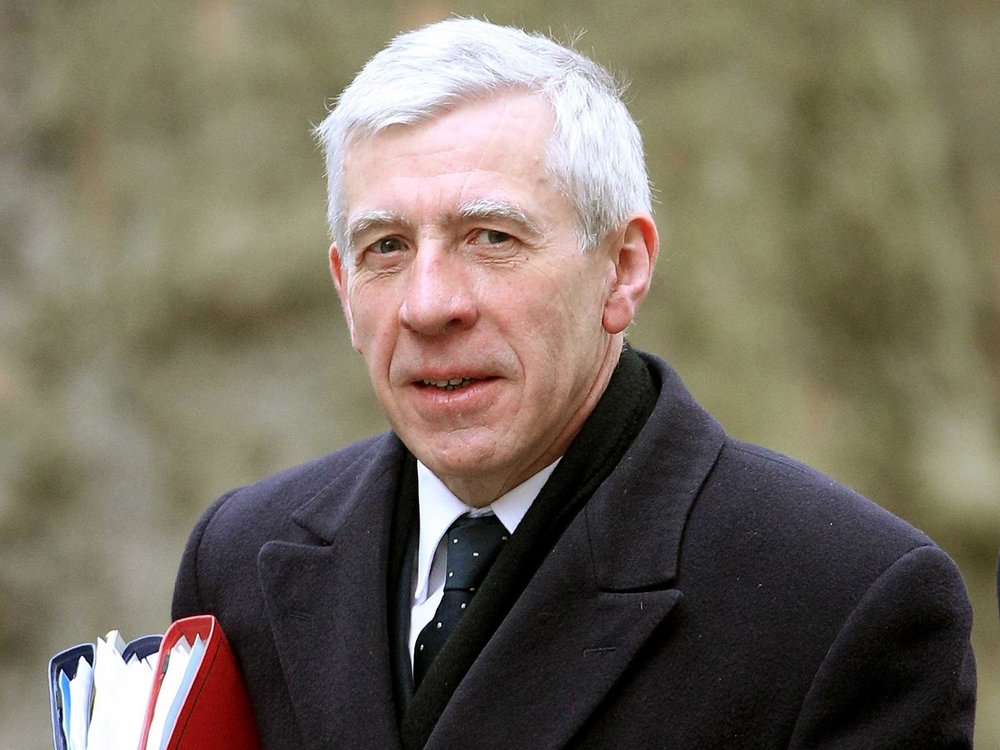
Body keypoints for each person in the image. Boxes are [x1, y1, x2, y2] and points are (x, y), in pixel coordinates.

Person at [172, 18, 976, 748]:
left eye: (491, 236)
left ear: (622, 269)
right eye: (386, 247)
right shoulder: (239, 560)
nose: (428, 305)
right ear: (345, 288)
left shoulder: (842, 601)